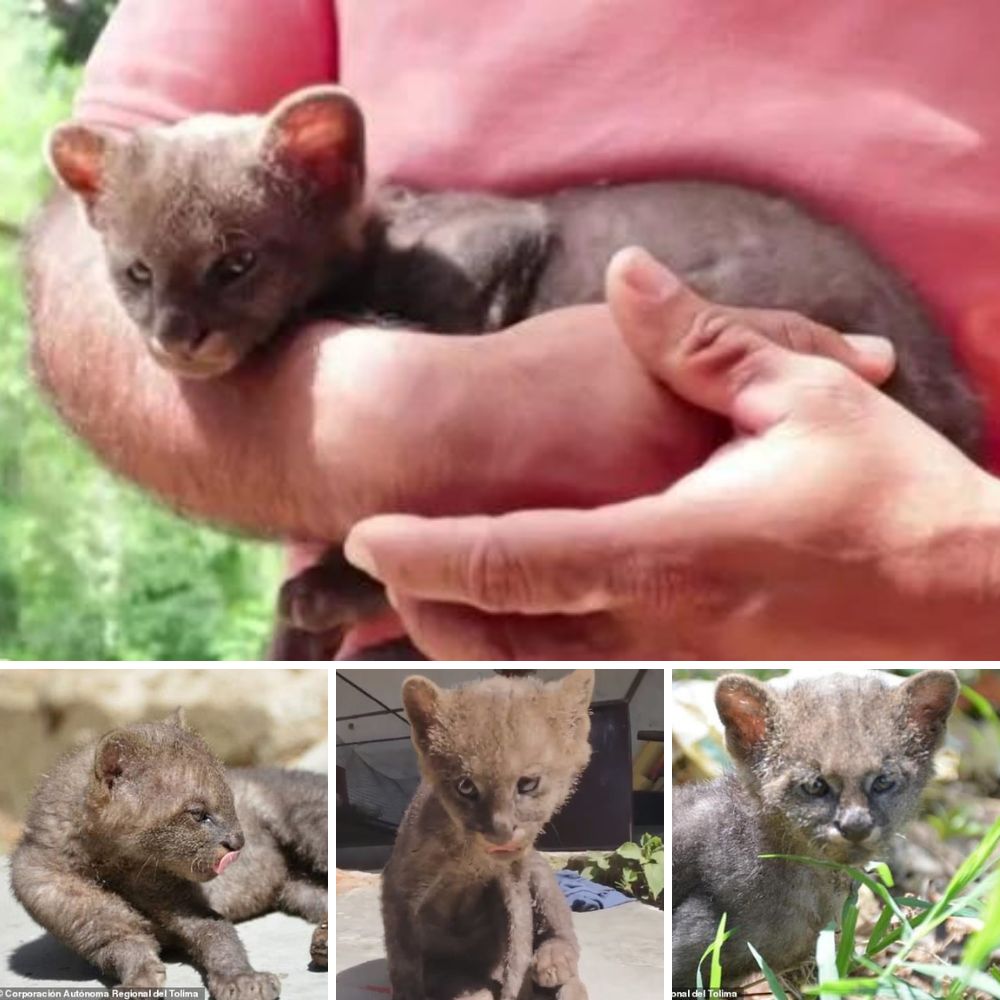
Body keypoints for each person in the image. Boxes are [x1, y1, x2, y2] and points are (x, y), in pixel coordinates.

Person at [27, 0, 1000, 658]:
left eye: (224, 276)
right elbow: (80, 246)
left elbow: (504, 244)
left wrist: (969, 576)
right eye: (146, 285)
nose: (174, 331)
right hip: (435, 684)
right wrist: (396, 431)